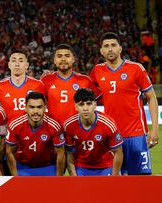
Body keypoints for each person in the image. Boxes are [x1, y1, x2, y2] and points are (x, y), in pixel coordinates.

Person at [90, 32, 159, 175]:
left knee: (141, 182)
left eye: (113, 45)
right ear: (101, 51)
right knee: (115, 184)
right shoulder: (97, 71)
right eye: (106, 46)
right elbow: (85, 96)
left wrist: (154, 130)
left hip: (136, 135)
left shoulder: (136, 68)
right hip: (111, 136)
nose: (110, 49)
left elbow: (151, 97)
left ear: (120, 49)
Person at [64, 88, 123, 176]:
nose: (85, 108)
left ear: (95, 105)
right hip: (81, 167)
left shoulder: (108, 124)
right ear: (76, 106)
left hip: (105, 166)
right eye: (81, 104)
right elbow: (68, 152)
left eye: (89, 104)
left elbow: (118, 152)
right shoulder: (68, 125)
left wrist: (114, 176)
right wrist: (73, 175)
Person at [5, 92, 65, 176]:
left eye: (39, 107)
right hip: (23, 167)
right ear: (25, 108)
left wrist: (59, 178)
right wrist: (15, 177)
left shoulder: (54, 125)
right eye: (32, 107)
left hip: (47, 167)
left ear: (45, 108)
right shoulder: (14, 125)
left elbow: (60, 153)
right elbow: (9, 152)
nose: (35, 111)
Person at [41, 44, 99, 125]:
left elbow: (96, 102)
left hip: (78, 131)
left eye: (67, 56)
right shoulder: (45, 80)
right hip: (54, 131)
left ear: (73, 59)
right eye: (59, 56)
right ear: (54, 60)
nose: (63, 59)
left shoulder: (85, 81)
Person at [0, 49, 45, 121]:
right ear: (9, 65)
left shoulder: (38, 85)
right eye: (13, 60)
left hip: (32, 130)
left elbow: (45, 109)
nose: (17, 64)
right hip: (8, 131)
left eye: (21, 61)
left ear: (27, 65)